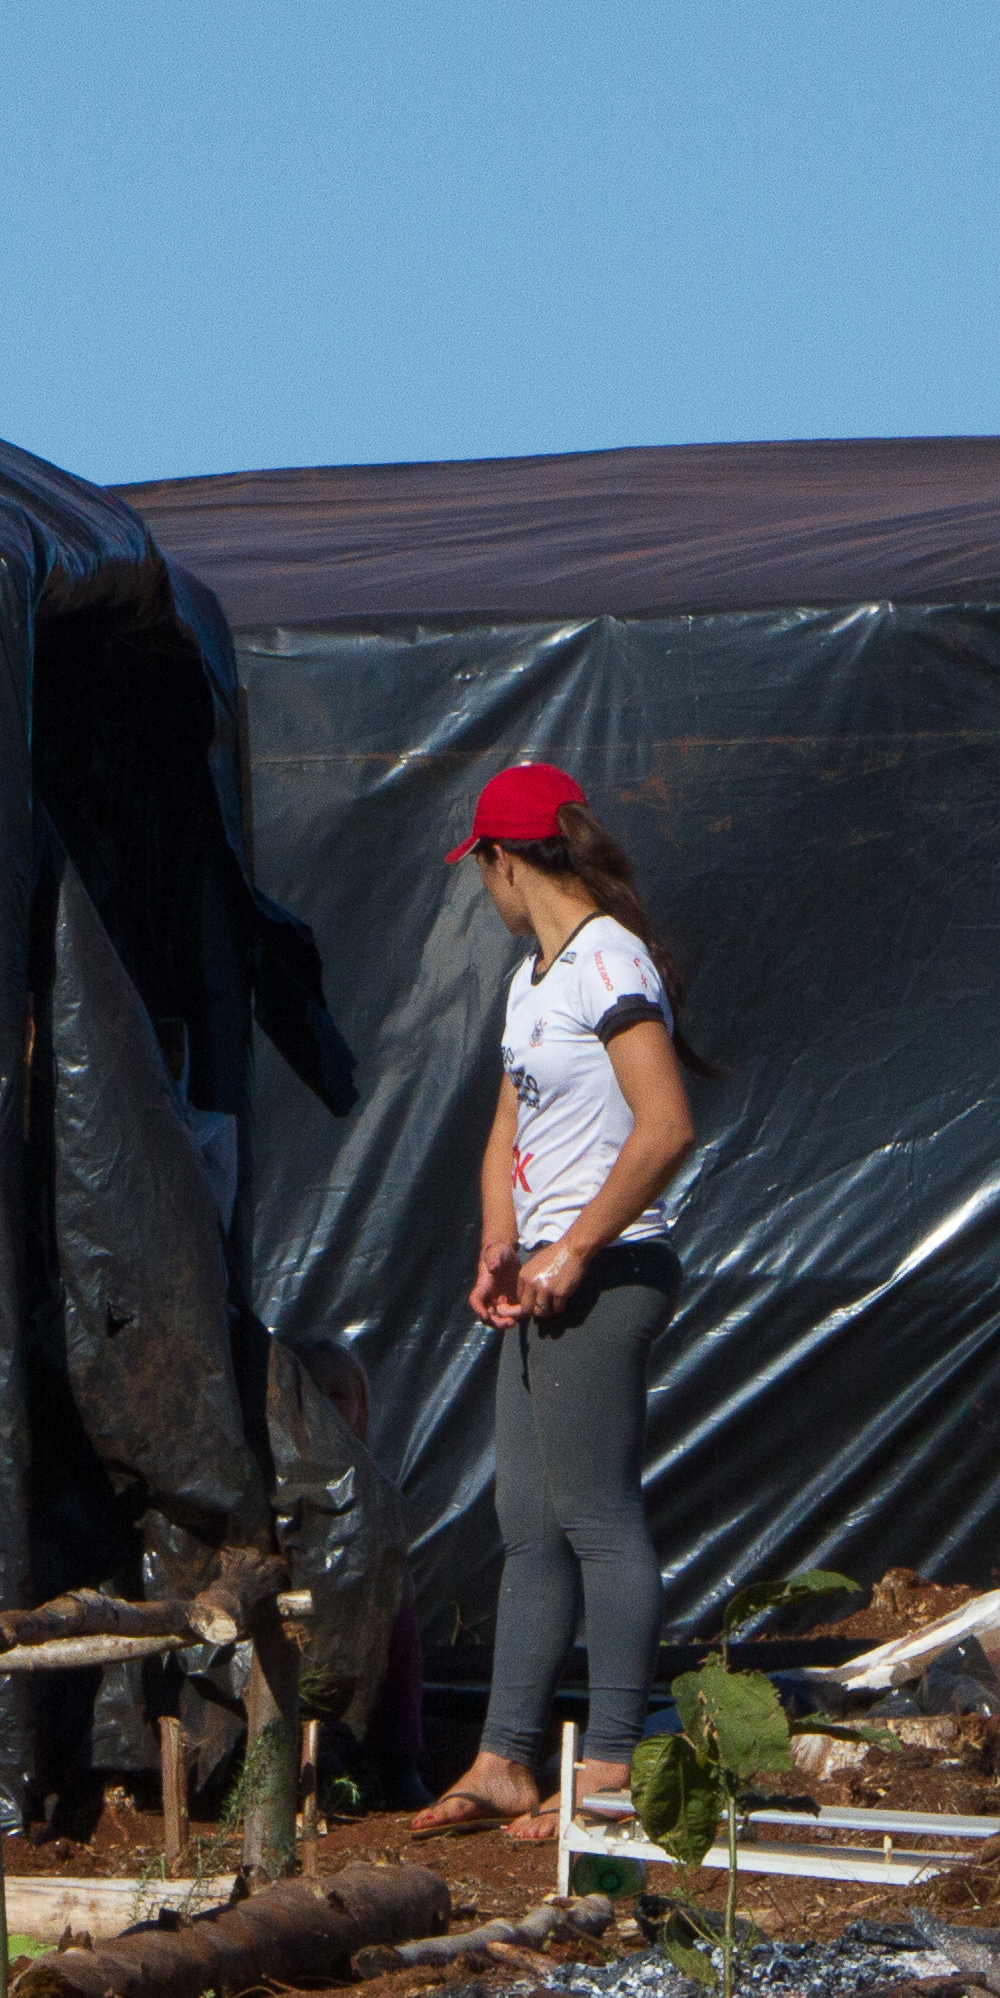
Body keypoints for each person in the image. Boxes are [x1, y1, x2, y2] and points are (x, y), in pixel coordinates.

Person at [404, 762, 704, 1844]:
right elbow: (507, 1125)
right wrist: (501, 1239)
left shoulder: (609, 961)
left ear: (501, 860)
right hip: (540, 1273)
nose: (479, 886)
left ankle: (614, 1769)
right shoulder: (535, 975)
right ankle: (505, 1759)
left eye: (477, 867)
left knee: (597, 1517)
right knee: (526, 1524)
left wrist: (577, 1244)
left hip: (609, 1274)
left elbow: (664, 1125)